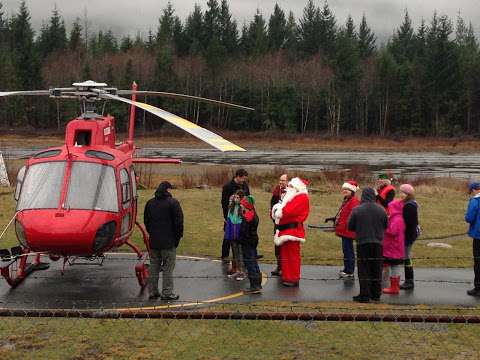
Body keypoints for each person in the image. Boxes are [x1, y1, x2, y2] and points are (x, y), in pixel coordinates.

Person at [144, 181, 184, 301]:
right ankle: (167, 292)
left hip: (154, 241)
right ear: (167, 190)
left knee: (154, 266)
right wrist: (177, 238)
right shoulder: (173, 203)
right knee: (168, 267)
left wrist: (152, 233)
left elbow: (147, 221)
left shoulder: (150, 203)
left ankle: (152, 291)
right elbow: (179, 223)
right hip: (169, 241)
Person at [348, 187, 388, 303]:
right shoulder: (381, 210)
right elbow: (386, 225)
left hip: (363, 242)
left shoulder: (357, 210)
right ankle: (376, 294)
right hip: (378, 243)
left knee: (364, 268)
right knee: (376, 268)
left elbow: (350, 226)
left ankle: (364, 295)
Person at [272, 177, 310, 287]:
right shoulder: (292, 197)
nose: (289, 187)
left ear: (297, 187)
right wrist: (277, 209)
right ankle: (287, 276)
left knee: (292, 256)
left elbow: (288, 211)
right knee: (286, 255)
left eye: (291, 186)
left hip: (293, 231)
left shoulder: (301, 197)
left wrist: (277, 210)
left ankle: (293, 278)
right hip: (287, 230)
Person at [326, 180, 360, 279]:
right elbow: (343, 214)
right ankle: (346, 269)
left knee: (349, 251)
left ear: (352, 191)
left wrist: (344, 224)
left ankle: (349, 271)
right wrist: (334, 219)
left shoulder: (354, 201)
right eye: (344, 189)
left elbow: (353, 217)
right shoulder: (347, 200)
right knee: (346, 251)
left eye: (347, 189)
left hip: (348, 231)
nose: (345, 191)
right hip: (344, 230)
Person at [221, 169, 250, 262]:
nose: (244, 181)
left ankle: (238, 255)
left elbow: (248, 198)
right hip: (231, 214)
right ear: (238, 176)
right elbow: (224, 202)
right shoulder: (228, 187)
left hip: (241, 214)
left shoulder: (245, 185)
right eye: (243, 179)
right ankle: (225, 255)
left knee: (240, 235)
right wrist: (226, 216)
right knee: (228, 234)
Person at [239, 195, 262, 293]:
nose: (241, 206)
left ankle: (254, 285)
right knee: (254, 261)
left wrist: (239, 238)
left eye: (242, 204)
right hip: (253, 240)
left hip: (247, 242)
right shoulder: (253, 214)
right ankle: (258, 283)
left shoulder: (247, 217)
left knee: (249, 262)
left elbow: (243, 231)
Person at [382, 199, 406, 295]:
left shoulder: (397, 219)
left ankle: (394, 287)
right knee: (394, 266)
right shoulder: (397, 218)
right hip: (395, 247)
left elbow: (392, 231)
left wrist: (385, 226)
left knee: (394, 266)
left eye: (391, 208)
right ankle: (394, 286)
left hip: (394, 247)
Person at [399, 184, 419, 290]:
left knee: (406, 257)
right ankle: (408, 280)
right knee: (406, 257)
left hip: (408, 236)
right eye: (401, 192)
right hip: (409, 235)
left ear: (409, 194)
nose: (401, 195)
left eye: (403, 193)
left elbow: (409, 224)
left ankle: (409, 280)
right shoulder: (410, 204)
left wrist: (407, 238)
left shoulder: (409, 206)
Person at [225, 190, 246, 280]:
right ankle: (237, 270)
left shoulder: (242, 208)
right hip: (232, 232)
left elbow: (243, 221)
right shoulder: (231, 207)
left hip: (239, 232)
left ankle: (242, 272)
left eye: (238, 197)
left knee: (240, 252)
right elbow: (229, 219)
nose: (236, 199)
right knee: (235, 252)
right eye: (235, 197)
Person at [270, 174, 288, 276]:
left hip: (286, 223)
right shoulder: (276, 191)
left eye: (283, 180)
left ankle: (285, 268)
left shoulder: (291, 192)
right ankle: (279, 266)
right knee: (277, 245)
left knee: (284, 245)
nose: (281, 182)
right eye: (280, 180)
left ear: (288, 182)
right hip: (277, 222)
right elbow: (272, 204)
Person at [465, 182, 480, 297]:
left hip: (478, 234)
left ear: (474, 190)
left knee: (478, 261)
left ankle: (478, 287)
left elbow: (469, 218)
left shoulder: (475, 201)